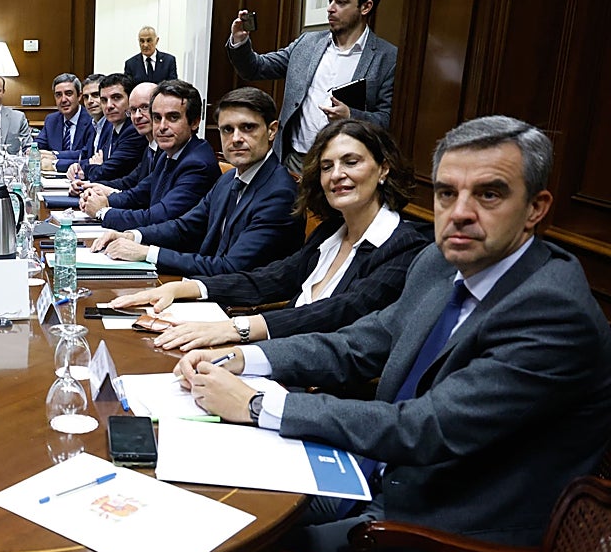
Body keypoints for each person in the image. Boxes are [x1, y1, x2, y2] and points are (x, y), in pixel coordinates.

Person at [182, 115, 611, 552]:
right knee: (214, 506)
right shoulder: (441, 262)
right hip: (376, 477)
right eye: (448, 192)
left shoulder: (551, 312)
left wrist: (261, 405)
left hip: (444, 539)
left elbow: (426, 428)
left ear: (536, 210)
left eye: (490, 194)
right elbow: (360, 342)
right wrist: (243, 357)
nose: (460, 213)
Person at [111, 119, 430, 350]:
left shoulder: (404, 247)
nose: (337, 175)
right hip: (271, 355)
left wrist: (235, 330)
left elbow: (339, 312)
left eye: (351, 162)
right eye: (327, 166)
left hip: (313, 383)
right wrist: (185, 289)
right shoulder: (333, 230)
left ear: (384, 169)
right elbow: (272, 279)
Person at [92, 87, 303, 277]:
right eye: (227, 130)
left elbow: (230, 268)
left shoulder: (279, 192)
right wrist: (133, 236)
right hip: (202, 283)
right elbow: (185, 226)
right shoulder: (230, 178)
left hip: (237, 307)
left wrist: (148, 253)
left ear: (272, 130)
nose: (236, 138)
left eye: (247, 128)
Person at [226, 0, 397, 175]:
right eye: (330, 0)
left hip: (343, 166)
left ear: (365, 7)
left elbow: (387, 120)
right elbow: (255, 68)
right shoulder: (307, 43)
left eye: (341, 2)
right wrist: (240, 41)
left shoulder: (386, 57)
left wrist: (350, 115)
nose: (331, 9)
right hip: (293, 160)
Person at [79, 80, 216, 232]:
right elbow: (139, 194)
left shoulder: (197, 163)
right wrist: (100, 200)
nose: (162, 127)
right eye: (157, 117)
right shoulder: (168, 153)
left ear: (195, 122)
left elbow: (158, 217)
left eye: (173, 117)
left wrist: (102, 212)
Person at [70, 81, 156, 195]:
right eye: (104, 100)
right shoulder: (112, 129)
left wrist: (94, 170)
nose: (109, 106)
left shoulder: (134, 132)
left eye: (116, 98)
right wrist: (88, 187)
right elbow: (128, 182)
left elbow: (107, 172)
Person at [37, 72, 94, 172]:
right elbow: (38, 144)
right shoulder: (51, 120)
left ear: (79, 96)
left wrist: (54, 156)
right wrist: (31, 151)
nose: (63, 100)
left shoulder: (91, 119)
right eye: (58, 95)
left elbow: (87, 154)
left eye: (68, 94)